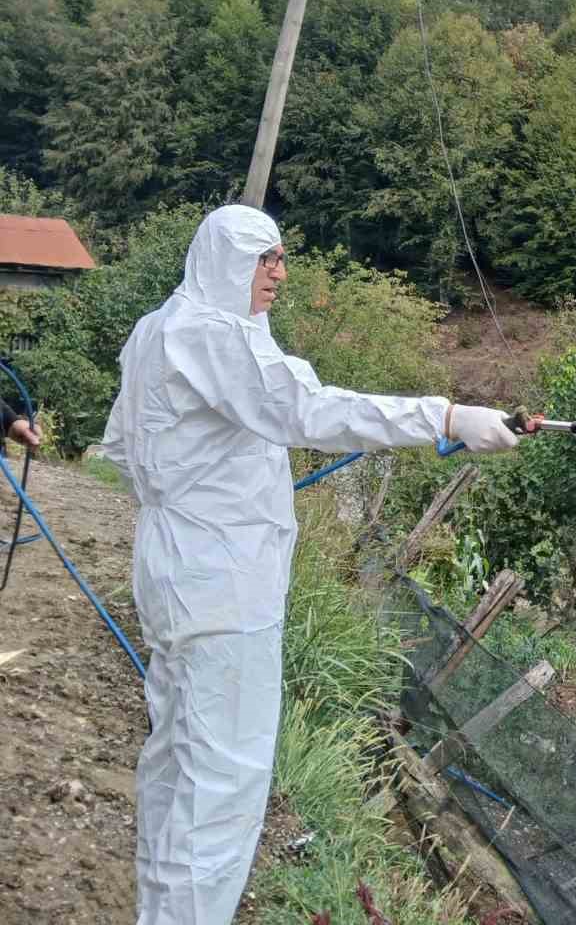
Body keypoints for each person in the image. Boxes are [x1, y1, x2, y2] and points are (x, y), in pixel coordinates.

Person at [101, 205, 520, 925]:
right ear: (227, 262)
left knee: (178, 762)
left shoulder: (158, 329)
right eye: (265, 259)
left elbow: (122, 445)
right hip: (224, 582)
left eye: (280, 258)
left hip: (178, 566)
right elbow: (310, 411)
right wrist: (444, 417)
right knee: (223, 782)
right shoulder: (211, 333)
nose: (279, 275)